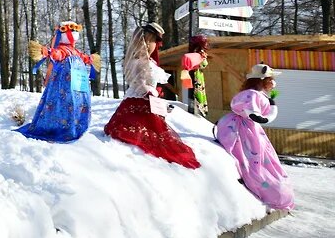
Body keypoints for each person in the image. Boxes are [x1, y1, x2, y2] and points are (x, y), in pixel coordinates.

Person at [103, 23, 200, 169]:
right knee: (153, 138)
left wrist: (155, 93)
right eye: (156, 41)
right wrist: (152, 92)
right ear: (147, 41)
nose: (158, 45)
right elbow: (140, 84)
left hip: (145, 102)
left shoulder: (148, 62)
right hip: (140, 104)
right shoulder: (140, 62)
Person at [216, 64, 295, 210]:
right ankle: (269, 189)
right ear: (263, 79)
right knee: (252, 156)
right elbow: (252, 111)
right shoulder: (252, 94)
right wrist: (258, 115)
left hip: (249, 127)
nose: (273, 83)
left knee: (261, 156)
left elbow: (259, 114)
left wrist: (270, 106)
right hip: (244, 128)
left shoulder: (256, 94)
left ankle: (272, 188)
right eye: (271, 79)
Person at [17, 21, 101, 143]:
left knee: (75, 103)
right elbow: (57, 54)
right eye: (72, 31)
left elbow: (82, 57)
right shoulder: (63, 50)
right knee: (65, 103)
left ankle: (74, 126)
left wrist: (91, 59)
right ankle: (63, 127)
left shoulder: (74, 51)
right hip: (66, 85)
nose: (75, 33)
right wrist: (46, 51)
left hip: (77, 85)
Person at [180, 35, 210, 118]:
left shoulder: (199, 54)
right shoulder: (198, 54)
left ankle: (195, 111)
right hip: (194, 78)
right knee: (193, 96)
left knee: (191, 95)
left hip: (193, 77)